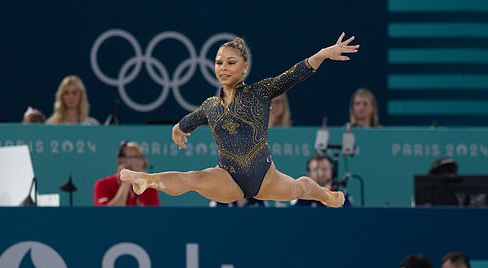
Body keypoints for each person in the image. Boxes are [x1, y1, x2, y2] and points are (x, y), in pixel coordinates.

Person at [120, 33, 360, 207]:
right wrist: (177, 129)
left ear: (244, 68)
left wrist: (322, 55)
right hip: (227, 178)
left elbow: (293, 75)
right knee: (192, 178)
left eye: (231, 63)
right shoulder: (210, 106)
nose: (223, 68)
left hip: (266, 177)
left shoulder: (260, 92)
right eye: (219, 62)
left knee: (301, 188)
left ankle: (328, 196)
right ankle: (146, 180)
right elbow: (187, 121)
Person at [93, 141, 160, 206]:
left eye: (144, 157)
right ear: (123, 161)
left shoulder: (148, 188)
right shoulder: (103, 185)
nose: (145, 162)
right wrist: (125, 183)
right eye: (139, 157)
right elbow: (106, 215)